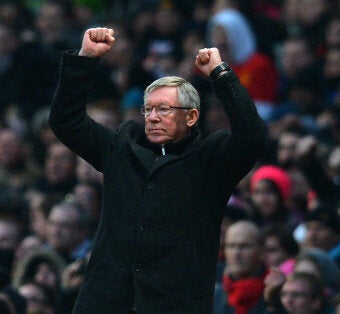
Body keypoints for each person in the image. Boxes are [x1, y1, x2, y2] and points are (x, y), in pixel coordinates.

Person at [48, 27, 267, 313]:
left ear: (191, 116)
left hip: (174, 304)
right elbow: (66, 122)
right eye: (148, 109)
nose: (152, 118)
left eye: (164, 109)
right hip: (106, 301)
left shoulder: (212, 159)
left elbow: (252, 137)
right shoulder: (120, 148)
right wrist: (85, 58)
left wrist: (221, 75)